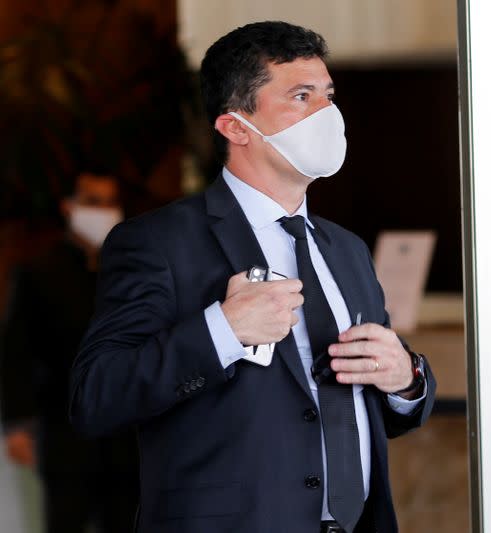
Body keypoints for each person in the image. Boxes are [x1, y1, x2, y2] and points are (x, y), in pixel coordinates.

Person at [69, 21, 436, 533]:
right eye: (301, 97)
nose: (326, 114)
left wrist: (407, 379)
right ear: (236, 127)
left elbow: (375, 408)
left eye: (328, 96)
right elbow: (96, 397)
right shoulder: (159, 242)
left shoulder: (347, 250)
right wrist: (222, 329)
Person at [1, 172, 139, 533]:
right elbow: (16, 351)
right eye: (93, 202)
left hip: (128, 438)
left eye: (110, 202)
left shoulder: (133, 272)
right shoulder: (39, 272)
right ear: (69, 206)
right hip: (65, 432)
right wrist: (18, 424)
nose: (104, 211)